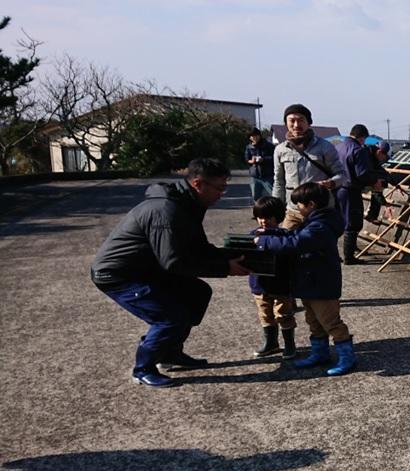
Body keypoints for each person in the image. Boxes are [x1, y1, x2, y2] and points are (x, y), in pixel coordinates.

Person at [90, 158, 251, 388]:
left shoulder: (190, 204)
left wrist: (232, 255)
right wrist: (226, 269)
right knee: (170, 317)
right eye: (220, 187)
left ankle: (170, 353)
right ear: (198, 184)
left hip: (147, 268)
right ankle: (142, 368)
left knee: (197, 293)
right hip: (119, 275)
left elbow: (198, 248)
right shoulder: (166, 210)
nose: (223, 193)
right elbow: (173, 263)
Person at [255, 182, 358, 377]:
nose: (297, 209)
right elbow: (294, 235)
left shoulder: (321, 225)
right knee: (313, 320)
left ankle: (347, 357)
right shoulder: (315, 221)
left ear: (311, 204)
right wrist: (273, 234)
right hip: (310, 282)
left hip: (322, 283)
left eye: (299, 205)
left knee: (331, 321)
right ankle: (320, 353)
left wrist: (264, 241)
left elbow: (297, 242)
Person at [272, 104, 347, 230]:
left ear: (309, 123)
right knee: (287, 246)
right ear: (286, 123)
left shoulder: (325, 147)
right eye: (292, 121)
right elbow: (279, 181)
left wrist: (331, 183)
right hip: (293, 212)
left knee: (320, 248)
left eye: (301, 120)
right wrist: (275, 208)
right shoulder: (280, 150)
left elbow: (342, 175)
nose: (296, 125)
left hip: (320, 212)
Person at [247, 196, 297, 360]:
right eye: (260, 217)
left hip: (281, 284)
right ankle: (271, 342)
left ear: (278, 217)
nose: (263, 221)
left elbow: (289, 252)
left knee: (283, 314)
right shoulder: (252, 235)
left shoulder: (285, 236)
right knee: (265, 314)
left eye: (268, 217)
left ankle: (289, 343)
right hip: (259, 284)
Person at [335, 124, 372, 264]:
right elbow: (362, 174)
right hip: (351, 190)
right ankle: (349, 257)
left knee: (338, 221)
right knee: (352, 222)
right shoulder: (358, 150)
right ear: (362, 137)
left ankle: (338, 253)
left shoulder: (338, 147)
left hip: (337, 189)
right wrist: (373, 181)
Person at [363, 136, 392, 224]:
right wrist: (386, 204)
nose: (384, 160)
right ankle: (372, 215)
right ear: (380, 152)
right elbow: (377, 192)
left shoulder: (371, 157)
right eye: (385, 157)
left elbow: (384, 173)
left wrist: (396, 185)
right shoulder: (367, 158)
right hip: (352, 185)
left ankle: (371, 215)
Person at [245, 128, 276, 201]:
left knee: (273, 195)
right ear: (250, 137)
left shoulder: (269, 146)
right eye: (252, 136)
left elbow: (274, 158)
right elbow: (246, 159)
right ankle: (258, 210)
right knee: (256, 197)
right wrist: (251, 161)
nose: (254, 138)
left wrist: (263, 159)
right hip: (255, 176)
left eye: (256, 135)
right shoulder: (249, 147)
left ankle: (275, 209)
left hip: (267, 175)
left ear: (259, 135)